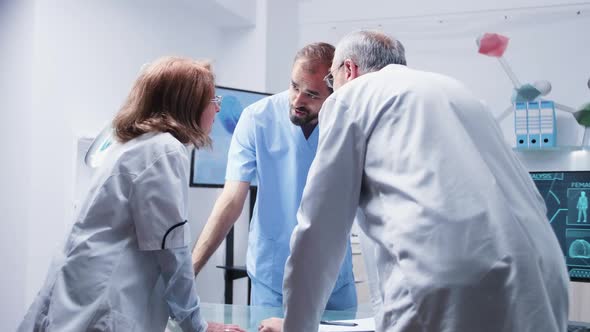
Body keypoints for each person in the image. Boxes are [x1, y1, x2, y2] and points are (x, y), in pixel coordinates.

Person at [259, 30, 569, 332]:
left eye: (331, 81)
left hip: (449, 285)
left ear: (348, 69)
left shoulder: (351, 97)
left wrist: (297, 326)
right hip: (542, 274)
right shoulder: (460, 93)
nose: (332, 90)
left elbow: (321, 228)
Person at [17, 57, 245, 332]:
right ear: (188, 103)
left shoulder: (131, 145)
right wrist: (198, 326)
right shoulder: (165, 150)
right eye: (212, 100)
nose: (217, 109)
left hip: (77, 294)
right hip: (104, 305)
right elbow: (172, 252)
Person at [191, 43, 357, 309]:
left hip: (334, 274)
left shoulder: (349, 122)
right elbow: (231, 200)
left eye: (312, 94)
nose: (297, 100)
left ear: (334, 93)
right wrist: (190, 271)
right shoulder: (257, 119)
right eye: (294, 86)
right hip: (274, 275)